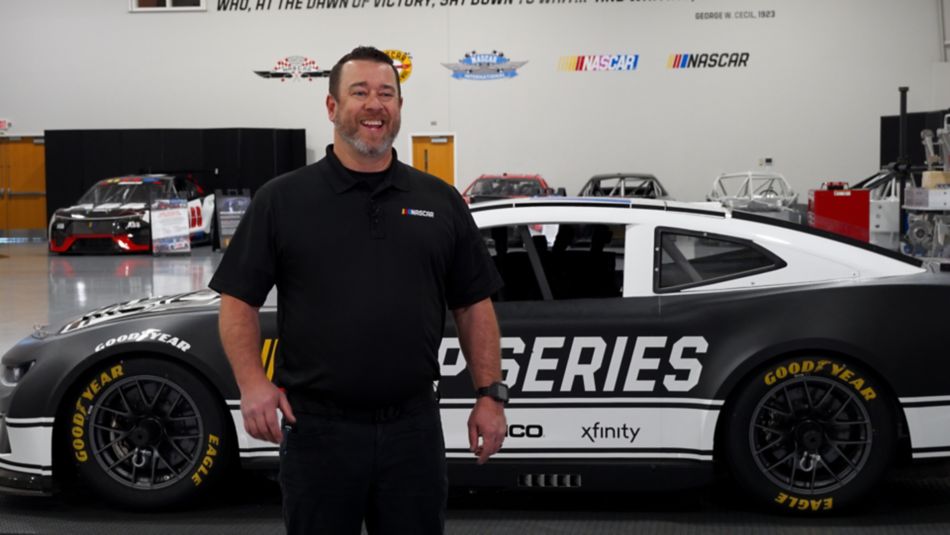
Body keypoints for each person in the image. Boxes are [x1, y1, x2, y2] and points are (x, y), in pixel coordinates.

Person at [208, 46, 507, 534]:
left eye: (386, 93)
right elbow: (238, 299)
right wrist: (252, 384)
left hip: (413, 428)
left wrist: (489, 395)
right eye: (360, 92)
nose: (375, 105)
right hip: (318, 431)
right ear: (332, 107)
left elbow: (474, 304)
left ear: (399, 107)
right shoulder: (282, 200)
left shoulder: (440, 201)